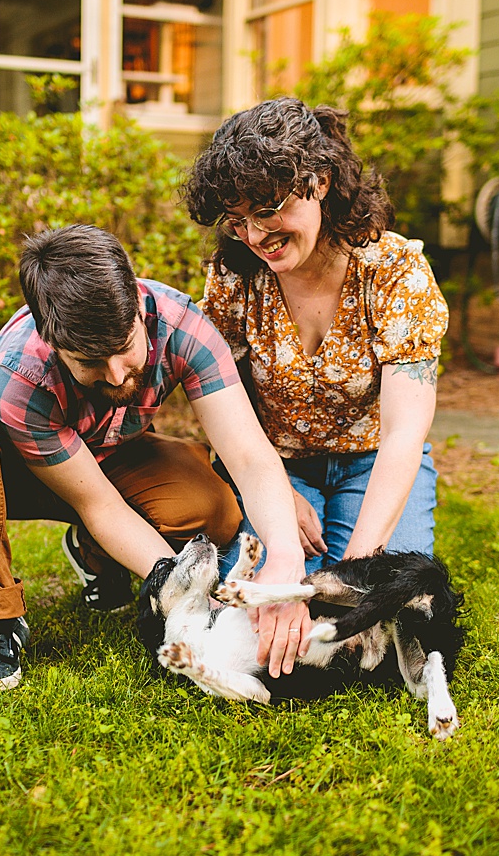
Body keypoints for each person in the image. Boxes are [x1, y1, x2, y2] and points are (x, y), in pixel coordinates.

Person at [0, 223, 310, 693]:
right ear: (51, 340)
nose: (117, 374)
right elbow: (98, 504)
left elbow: (248, 455)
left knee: (214, 509)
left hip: (111, 453)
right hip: (11, 472)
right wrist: (189, 594)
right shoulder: (19, 369)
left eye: (124, 349)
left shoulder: (184, 326)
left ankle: (93, 552)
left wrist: (285, 557)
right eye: (90, 363)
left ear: (139, 310)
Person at [183, 96, 447, 576]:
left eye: (267, 210)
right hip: (273, 462)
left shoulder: (394, 272)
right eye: (237, 221)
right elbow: (225, 408)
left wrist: (356, 572)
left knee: (374, 599)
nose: (256, 236)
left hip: (372, 461)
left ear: (319, 181)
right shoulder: (235, 277)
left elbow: (404, 434)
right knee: (263, 593)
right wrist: (277, 491)